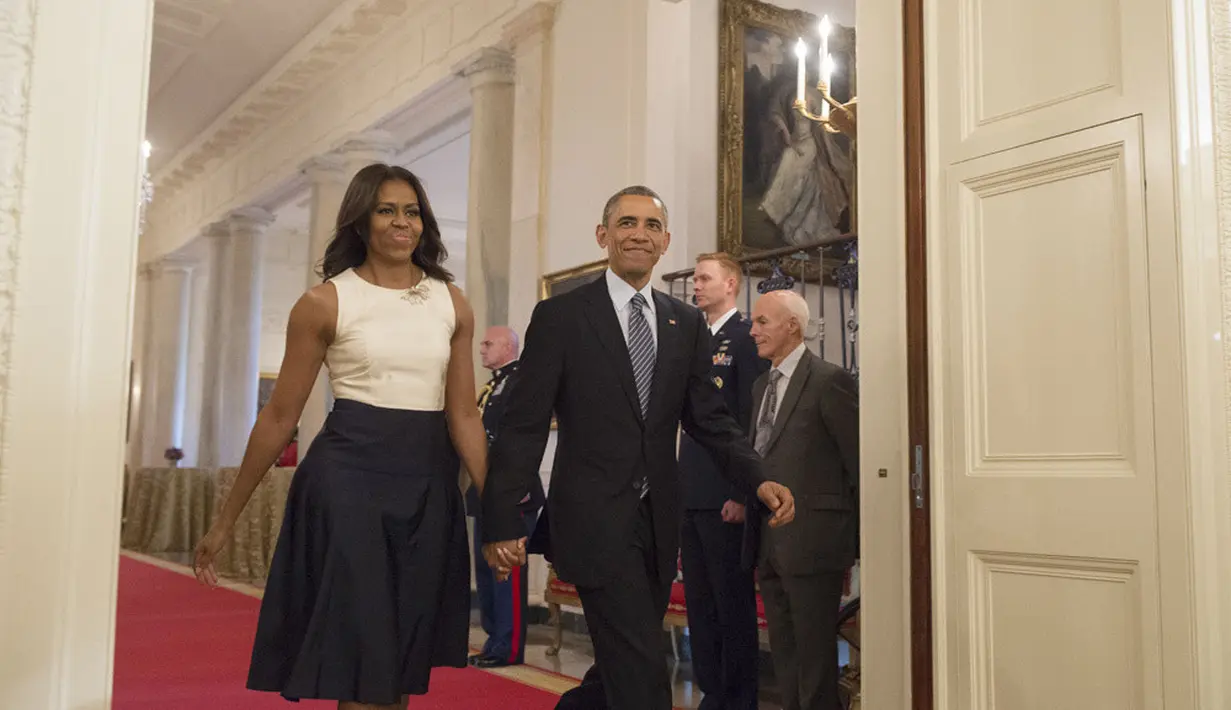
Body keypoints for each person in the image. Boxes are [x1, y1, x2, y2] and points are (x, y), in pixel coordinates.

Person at [480, 185, 797, 710]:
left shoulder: (685, 322)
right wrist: (502, 519)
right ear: (604, 236)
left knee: (616, 673)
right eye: (627, 223)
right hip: (592, 522)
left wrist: (756, 476)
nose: (639, 234)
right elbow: (524, 425)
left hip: (657, 523)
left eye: (651, 226)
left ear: (665, 241)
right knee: (644, 677)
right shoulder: (562, 316)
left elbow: (710, 419)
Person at [191, 164, 489, 710]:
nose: (403, 222)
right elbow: (280, 417)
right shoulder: (325, 302)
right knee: (361, 653)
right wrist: (226, 517)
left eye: (412, 211)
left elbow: (465, 415)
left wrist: (499, 511)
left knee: (400, 656)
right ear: (361, 220)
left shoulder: (452, 302)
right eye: (386, 210)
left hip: (427, 486)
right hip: (348, 484)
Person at [747, 290, 859, 710]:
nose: (753, 331)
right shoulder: (761, 386)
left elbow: (856, 464)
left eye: (762, 322)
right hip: (770, 540)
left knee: (815, 659)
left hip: (816, 542)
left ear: (792, 325)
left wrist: (855, 544)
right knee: (786, 655)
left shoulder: (830, 381)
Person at [678, 253, 768, 710]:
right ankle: (713, 693)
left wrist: (741, 490)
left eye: (705, 278)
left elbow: (749, 420)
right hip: (690, 491)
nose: (696, 285)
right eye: (695, 278)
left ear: (731, 283)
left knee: (731, 605)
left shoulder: (744, 339)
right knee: (700, 603)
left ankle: (737, 698)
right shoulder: (696, 337)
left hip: (724, 493)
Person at [465, 325, 544, 668]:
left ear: (508, 347)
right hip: (486, 489)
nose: (481, 349)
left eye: (488, 343)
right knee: (485, 571)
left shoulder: (522, 381)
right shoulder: (491, 386)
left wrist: (512, 488)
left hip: (512, 491)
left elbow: (522, 439)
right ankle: (493, 638)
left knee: (505, 571)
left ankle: (507, 647)